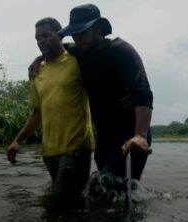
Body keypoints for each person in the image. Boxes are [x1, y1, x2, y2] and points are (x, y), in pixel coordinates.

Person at [30, 4, 153, 181]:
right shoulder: (79, 51)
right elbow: (56, 47)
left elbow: (143, 92)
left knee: (116, 185)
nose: (77, 39)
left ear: (97, 29)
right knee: (103, 187)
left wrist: (140, 136)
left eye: (81, 33)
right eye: (74, 34)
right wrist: (38, 59)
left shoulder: (121, 51)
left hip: (129, 131)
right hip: (103, 134)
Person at [7, 18, 94, 202]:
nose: (41, 41)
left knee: (59, 204)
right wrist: (17, 140)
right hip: (49, 152)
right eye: (37, 38)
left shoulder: (78, 61)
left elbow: (104, 71)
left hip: (76, 147)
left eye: (46, 36)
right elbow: (37, 113)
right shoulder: (36, 71)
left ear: (59, 35)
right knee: (68, 207)